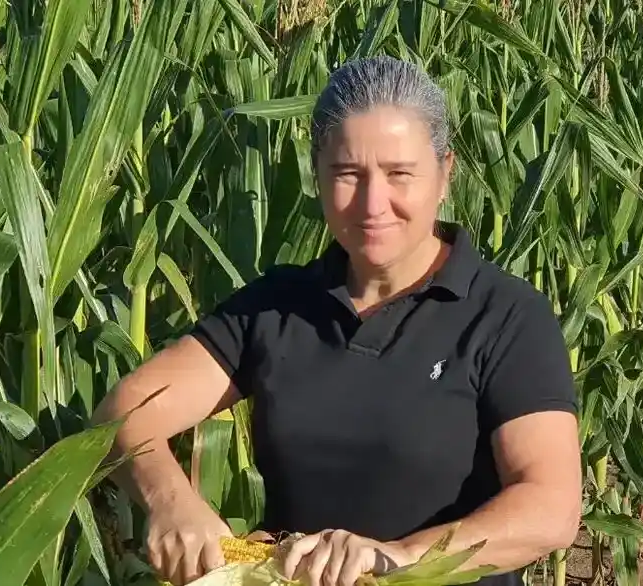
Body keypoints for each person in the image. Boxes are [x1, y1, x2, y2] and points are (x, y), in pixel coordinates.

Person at [91, 55, 581, 586]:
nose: (373, 204)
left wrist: (395, 558)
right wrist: (172, 502)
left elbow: (550, 508)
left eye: (399, 174)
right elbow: (123, 413)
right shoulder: (278, 305)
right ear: (318, 174)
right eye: (348, 174)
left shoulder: (505, 315)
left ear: (445, 175)